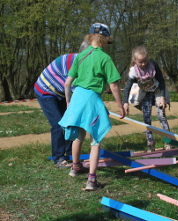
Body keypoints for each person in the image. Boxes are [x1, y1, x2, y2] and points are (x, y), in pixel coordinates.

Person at [58, 23, 125, 191]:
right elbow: (114, 86)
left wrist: (68, 102)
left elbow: (67, 83)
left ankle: (75, 168)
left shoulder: (80, 56)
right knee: (95, 139)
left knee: (78, 136)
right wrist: (121, 106)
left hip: (77, 98)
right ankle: (92, 180)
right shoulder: (104, 58)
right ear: (104, 40)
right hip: (91, 99)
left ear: (90, 38)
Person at [123, 46, 171, 152]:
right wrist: (125, 102)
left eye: (145, 61)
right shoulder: (133, 71)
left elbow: (162, 81)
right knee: (147, 118)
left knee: (161, 116)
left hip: (158, 90)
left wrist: (162, 97)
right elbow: (127, 88)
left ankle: (168, 142)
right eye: (140, 62)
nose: (143, 64)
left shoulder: (153, 65)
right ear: (135, 60)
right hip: (145, 93)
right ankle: (150, 144)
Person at [34, 53, 78, 168]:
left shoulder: (85, 63)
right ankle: (58, 157)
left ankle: (71, 153)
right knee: (58, 124)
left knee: (70, 121)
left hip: (62, 92)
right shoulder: (69, 61)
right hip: (46, 91)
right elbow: (74, 87)